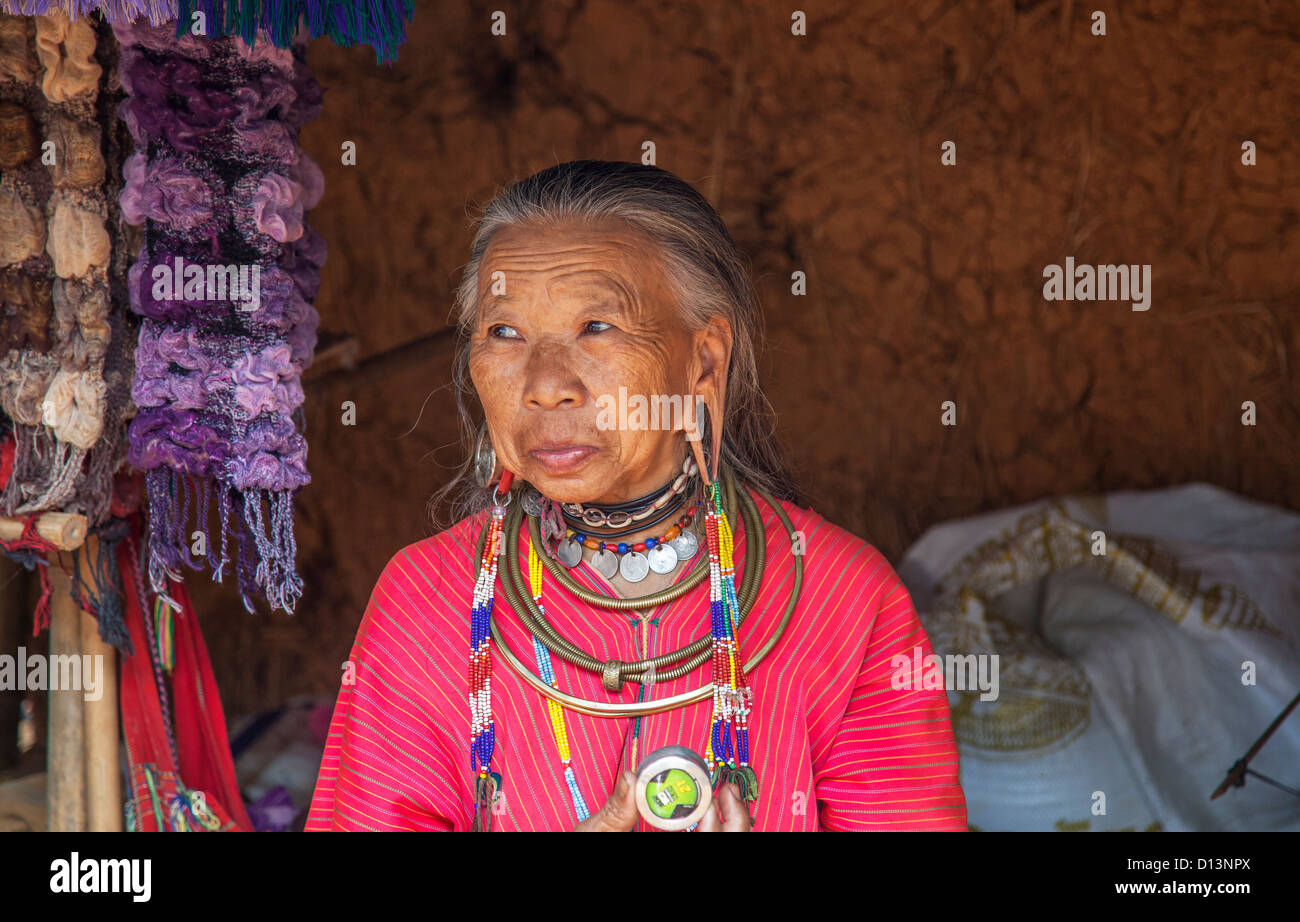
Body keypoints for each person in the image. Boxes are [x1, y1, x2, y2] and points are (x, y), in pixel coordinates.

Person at [305, 160, 967, 831]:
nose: (545, 383)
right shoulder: (424, 600)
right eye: (505, 332)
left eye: (597, 327)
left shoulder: (840, 599)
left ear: (702, 360)